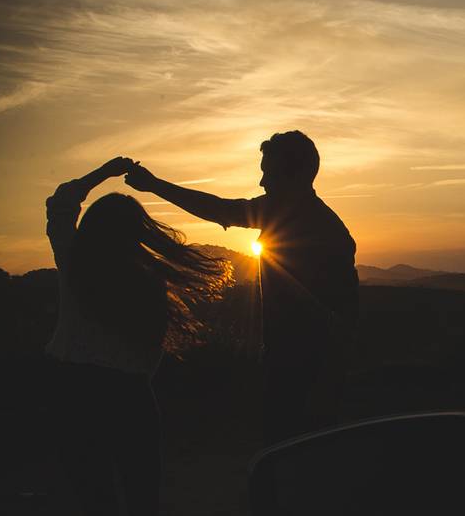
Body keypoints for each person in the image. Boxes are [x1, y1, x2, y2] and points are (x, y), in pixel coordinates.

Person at [45, 157, 229, 516]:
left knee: (98, 510)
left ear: (91, 229)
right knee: (142, 510)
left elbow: (60, 203)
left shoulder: (74, 262)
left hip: (73, 394)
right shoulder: (149, 284)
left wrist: (102, 172)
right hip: (131, 398)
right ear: (138, 235)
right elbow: (150, 359)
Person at [123, 131, 359, 443]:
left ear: (297, 176)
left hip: (307, 370)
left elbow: (342, 319)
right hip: (292, 365)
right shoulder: (294, 216)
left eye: (269, 174)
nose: (262, 183)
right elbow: (221, 210)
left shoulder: (324, 233)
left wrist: (154, 185)